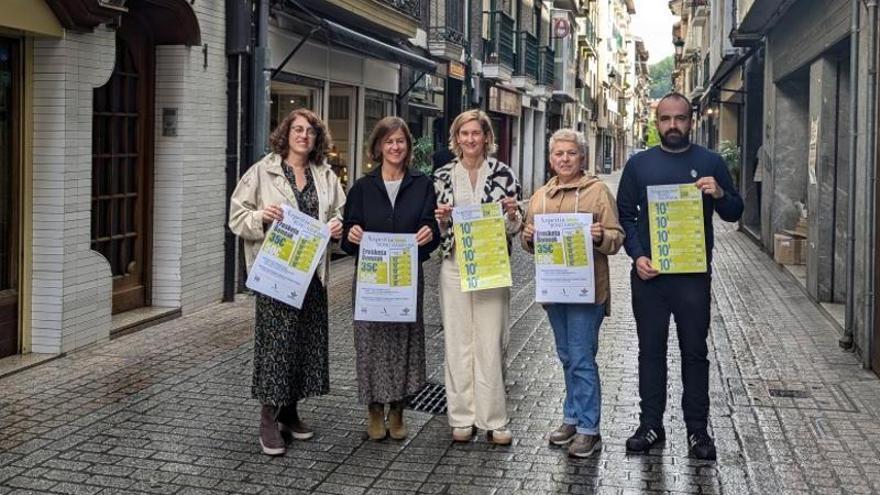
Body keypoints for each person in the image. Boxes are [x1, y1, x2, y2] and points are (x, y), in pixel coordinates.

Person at [616, 93, 743, 461]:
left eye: (680, 119)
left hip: (692, 278)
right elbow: (626, 215)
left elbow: (735, 211)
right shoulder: (639, 165)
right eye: (666, 119)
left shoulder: (711, 162)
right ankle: (650, 425)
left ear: (692, 120)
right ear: (656, 122)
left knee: (695, 353)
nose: (673, 125)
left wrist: (719, 193)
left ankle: (697, 431)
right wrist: (637, 255)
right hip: (650, 278)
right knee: (650, 353)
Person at [229, 108, 345, 456]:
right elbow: (236, 216)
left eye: (310, 131)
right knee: (277, 345)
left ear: (316, 139)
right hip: (277, 274)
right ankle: (268, 419)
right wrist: (261, 216)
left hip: (312, 276)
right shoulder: (263, 171)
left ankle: (290, 411)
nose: (303, 136)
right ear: (286, 133)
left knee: (304, 343)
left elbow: (339, 210)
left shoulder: (324, 175)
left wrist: (337, 223)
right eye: (297, 129)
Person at [521, 129, 624, 458]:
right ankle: (572, 417)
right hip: (554, 289)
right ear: (551, 159)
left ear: (582, 157)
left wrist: (598, 236)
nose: (564, 159)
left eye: (571, 153)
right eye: (558, 154)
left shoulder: (598, 193)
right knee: (567, 356)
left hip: (586, 290)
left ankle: (589, 428)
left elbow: (616, 237)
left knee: (581, 358)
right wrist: (529, 236)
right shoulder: (540, 197)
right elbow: (529, 242)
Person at [340, 117, 441, 441]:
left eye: (400, 141)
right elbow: (347, 233)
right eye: (389, 141)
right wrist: (351, 234)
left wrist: (431, 234)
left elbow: (432, 230)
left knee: (403, 340)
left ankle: (397, 407)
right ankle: (373, 408)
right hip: (370, 279)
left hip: (406, 275)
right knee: (370, 342)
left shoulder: (422, 184)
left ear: (408, 146)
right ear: (378, 147)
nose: (395, 147)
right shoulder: (362, 187)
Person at [433, 109, 522, 445]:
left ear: (486, 137)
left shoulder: (503, 174)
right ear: (456, 138)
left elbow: (515, 226)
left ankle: (494, 419)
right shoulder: (442, 176)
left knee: (491, 339)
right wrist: (441, 221)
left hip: (491, 265)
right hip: (454, 264)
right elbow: (436, 228)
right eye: (463, 134)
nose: (470, 139)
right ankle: (461, 417)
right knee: (458, 339)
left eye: (476, 133)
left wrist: (513, 214)